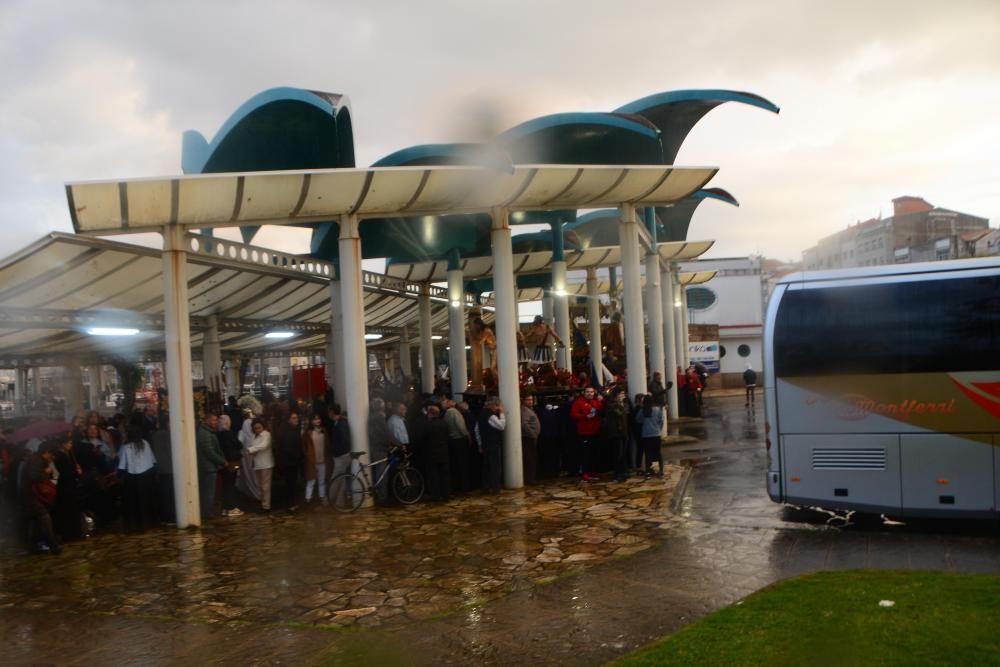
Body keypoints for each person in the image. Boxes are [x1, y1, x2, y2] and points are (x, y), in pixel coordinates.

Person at [117, 424, 157, 532]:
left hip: (131, 478)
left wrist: (119, 476)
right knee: (145, 500)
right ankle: (146, 523)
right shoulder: (145, 443)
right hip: (146, 476)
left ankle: (134, 525)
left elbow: (122, 465)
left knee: (132, 502)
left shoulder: (126, 447)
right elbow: (152, 460)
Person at [22, 442, 59, 554]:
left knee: (35, 523)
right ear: (46, 452)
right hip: (34, 497)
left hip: (30, 496)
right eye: (51, 454)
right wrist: (46, 473)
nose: (52, 457)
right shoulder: (36, 460)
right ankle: (54, 546)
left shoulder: (35, 459)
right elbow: (33, 477)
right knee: (45, 520)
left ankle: (33, 548)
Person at [195, 413, 227, 519]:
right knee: (208, 492)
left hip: (208, 466)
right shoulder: (205, 434)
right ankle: (207, 514)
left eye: (216, 420)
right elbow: (209, 452)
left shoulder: (207, 432)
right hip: (208, 467)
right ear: (206, 421)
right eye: (213, 420)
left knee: (207, 492)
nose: (216, 422)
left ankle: (207, 512)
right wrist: (222, 461)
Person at [570, 386, 604, 481]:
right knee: (585, 454)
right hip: (584, 433)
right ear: (584, 393)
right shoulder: (578, 402)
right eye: (588, 392)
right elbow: (573, 414)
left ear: (594, 393)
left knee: (595, 453)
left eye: (591, 392)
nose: (589, 394)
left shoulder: (597, 402)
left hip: (595, 432)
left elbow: (602, 410)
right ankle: (585, 472)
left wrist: (603, 400)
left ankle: (593, 471)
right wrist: (585, 416)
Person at [367, 398, 395, 505]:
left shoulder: (373, 417)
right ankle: (382, 498)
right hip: (379, 449)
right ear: (381, 407)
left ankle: (381, 495)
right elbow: (386, 433)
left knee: (380, 472)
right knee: (382, 474)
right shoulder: (379, 418)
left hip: (376, 448)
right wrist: (397, 443)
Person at [476, 399, 505, 494]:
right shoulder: (491, 416)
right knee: (495, 467)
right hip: (493, 444)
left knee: (487, 466)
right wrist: (502, 414)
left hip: (485, 444)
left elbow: (477, 430)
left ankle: (486, 487)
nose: (498, 408)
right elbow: (501, 426)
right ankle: (495, 487)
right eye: (497, 406)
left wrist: (480, 444)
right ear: (492, 405)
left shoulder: (481, 415)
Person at [422, 405, 451, 501]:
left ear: (430, 413)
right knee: (444, 475)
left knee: (434, 476)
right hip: (444, 453)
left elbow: (424, 440)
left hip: (432, 454)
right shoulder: (444, 424)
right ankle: (446, 494)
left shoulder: (427, 426)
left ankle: (436, 495)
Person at [245, 418, 274, 513]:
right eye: (255, 428)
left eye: (259, 427)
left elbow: (263, 445)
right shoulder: (254, 436)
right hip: (257, 464)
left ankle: (266, 506)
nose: (258, 429)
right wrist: (252, 451)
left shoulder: (267, 434)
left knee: (266, 486)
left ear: (263, 426)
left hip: (266, 464)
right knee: (260, 486)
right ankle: (263, 503)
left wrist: (251, 449)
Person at [216, 414, 243, 517]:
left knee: (225, 485)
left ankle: (225, 508)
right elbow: (239, 444)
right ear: (227, 423)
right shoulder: (228, 434)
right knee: (231, 484)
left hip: (222, 463)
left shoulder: (217, 435)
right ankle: (231, 508)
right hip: (232, 462)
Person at [443, 399, 472, 494]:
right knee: (462, 464)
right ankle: (464, 486)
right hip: (459, 441)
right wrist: (468, 436)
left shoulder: (447, 413)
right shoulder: (455, 413)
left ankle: (456, 486)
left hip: (451, 441)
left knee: (455, 464)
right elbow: (461, 428)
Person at [327, 405, 352, 507]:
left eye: (329, 412)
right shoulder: (340, 422)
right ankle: (340, 502)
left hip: (341, 456)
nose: (328, 414)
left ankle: (329, 499)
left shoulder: (340, 424)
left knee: (335, 478)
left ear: (332, 412)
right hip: (344, 455)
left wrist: (336, 450)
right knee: (341, 479)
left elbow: (344, 440)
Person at [301, 412, 328, 507]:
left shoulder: (323, 430)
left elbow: (327, 445)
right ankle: (308, 499)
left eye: (318, 419)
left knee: (322, 481)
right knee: (311, 480)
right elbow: (303, 445)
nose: (317, 421)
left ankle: (322, 497)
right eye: (315, 419)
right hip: (312, 460)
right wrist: (307, 455)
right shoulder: (308, 432)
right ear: (311, 421)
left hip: (322, 460)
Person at [636, 394, 665, 477]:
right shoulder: (657, 409)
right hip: (656, 434)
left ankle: (648, 470)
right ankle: (661, 470)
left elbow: (638, 419)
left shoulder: (643, 410)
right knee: (658, 453)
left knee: (648, 453)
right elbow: (661, 421)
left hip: (646, 435)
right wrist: (659, 429)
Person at [604, 388, 629, 482]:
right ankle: (617, 473)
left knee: (622, 453)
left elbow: (627, 413)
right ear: (616, 395)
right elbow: (619, 413)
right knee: (617, 454)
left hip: (623, 432)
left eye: (623, 393)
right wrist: (621, 405)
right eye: (621, 393)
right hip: (615, 433)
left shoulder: (623, 404)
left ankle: (623, 471)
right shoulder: (611, 405)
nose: (623, 395)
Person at [520, 395, 541, 485]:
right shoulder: (524, 410)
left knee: (531, 458)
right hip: (528, 438)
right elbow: (524, 424)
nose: (530, 401)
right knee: (529, 459)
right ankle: (529, 479)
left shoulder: (530, 410)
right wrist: (532, 434)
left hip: (532, 438)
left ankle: (531, 478)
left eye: (531, 399)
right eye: (528, 399)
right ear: (523, 401)